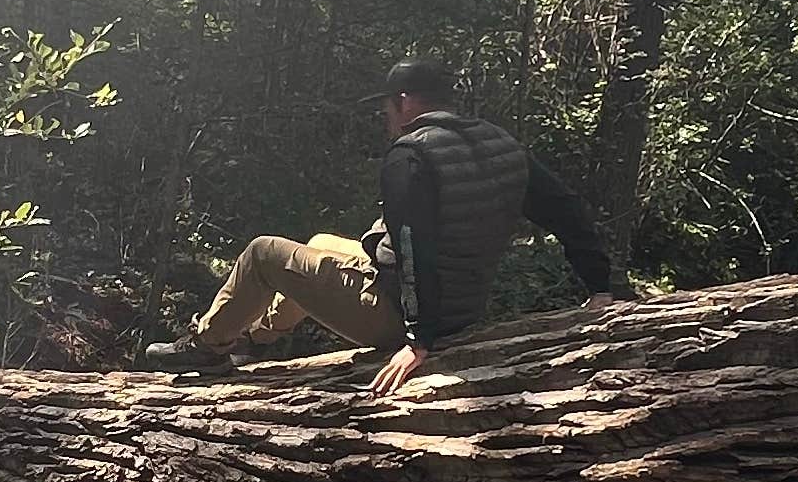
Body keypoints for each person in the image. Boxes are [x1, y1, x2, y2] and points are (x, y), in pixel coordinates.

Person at [149, 60, 612, 397]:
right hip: (461, 304)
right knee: (319, 244)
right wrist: (603, 286)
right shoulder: (501, 145)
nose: (386, 118)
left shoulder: (411, 154)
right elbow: (567, 210)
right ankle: (256, 338)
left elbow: (415, 248)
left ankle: (209, 346)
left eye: (388, 108)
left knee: (262, 253)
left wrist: (419, 341)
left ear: (404, 102)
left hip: (402, 313)